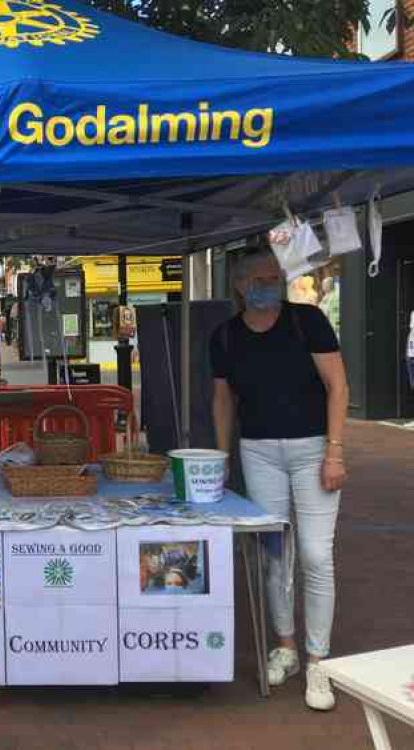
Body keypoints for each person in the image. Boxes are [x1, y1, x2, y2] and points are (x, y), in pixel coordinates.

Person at [211, 248, 348, 711]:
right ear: (240, 286)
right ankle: (286, 646)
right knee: (274, 554)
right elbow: (223, 400)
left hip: (314, 450)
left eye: (273, 276)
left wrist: (335, 451)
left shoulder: (306, 321)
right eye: (257, 279)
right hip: (258, 452)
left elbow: (338, 386)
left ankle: (319, 662)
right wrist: (222, 456)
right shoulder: (226, 337)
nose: (266, 284)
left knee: (314, 554)